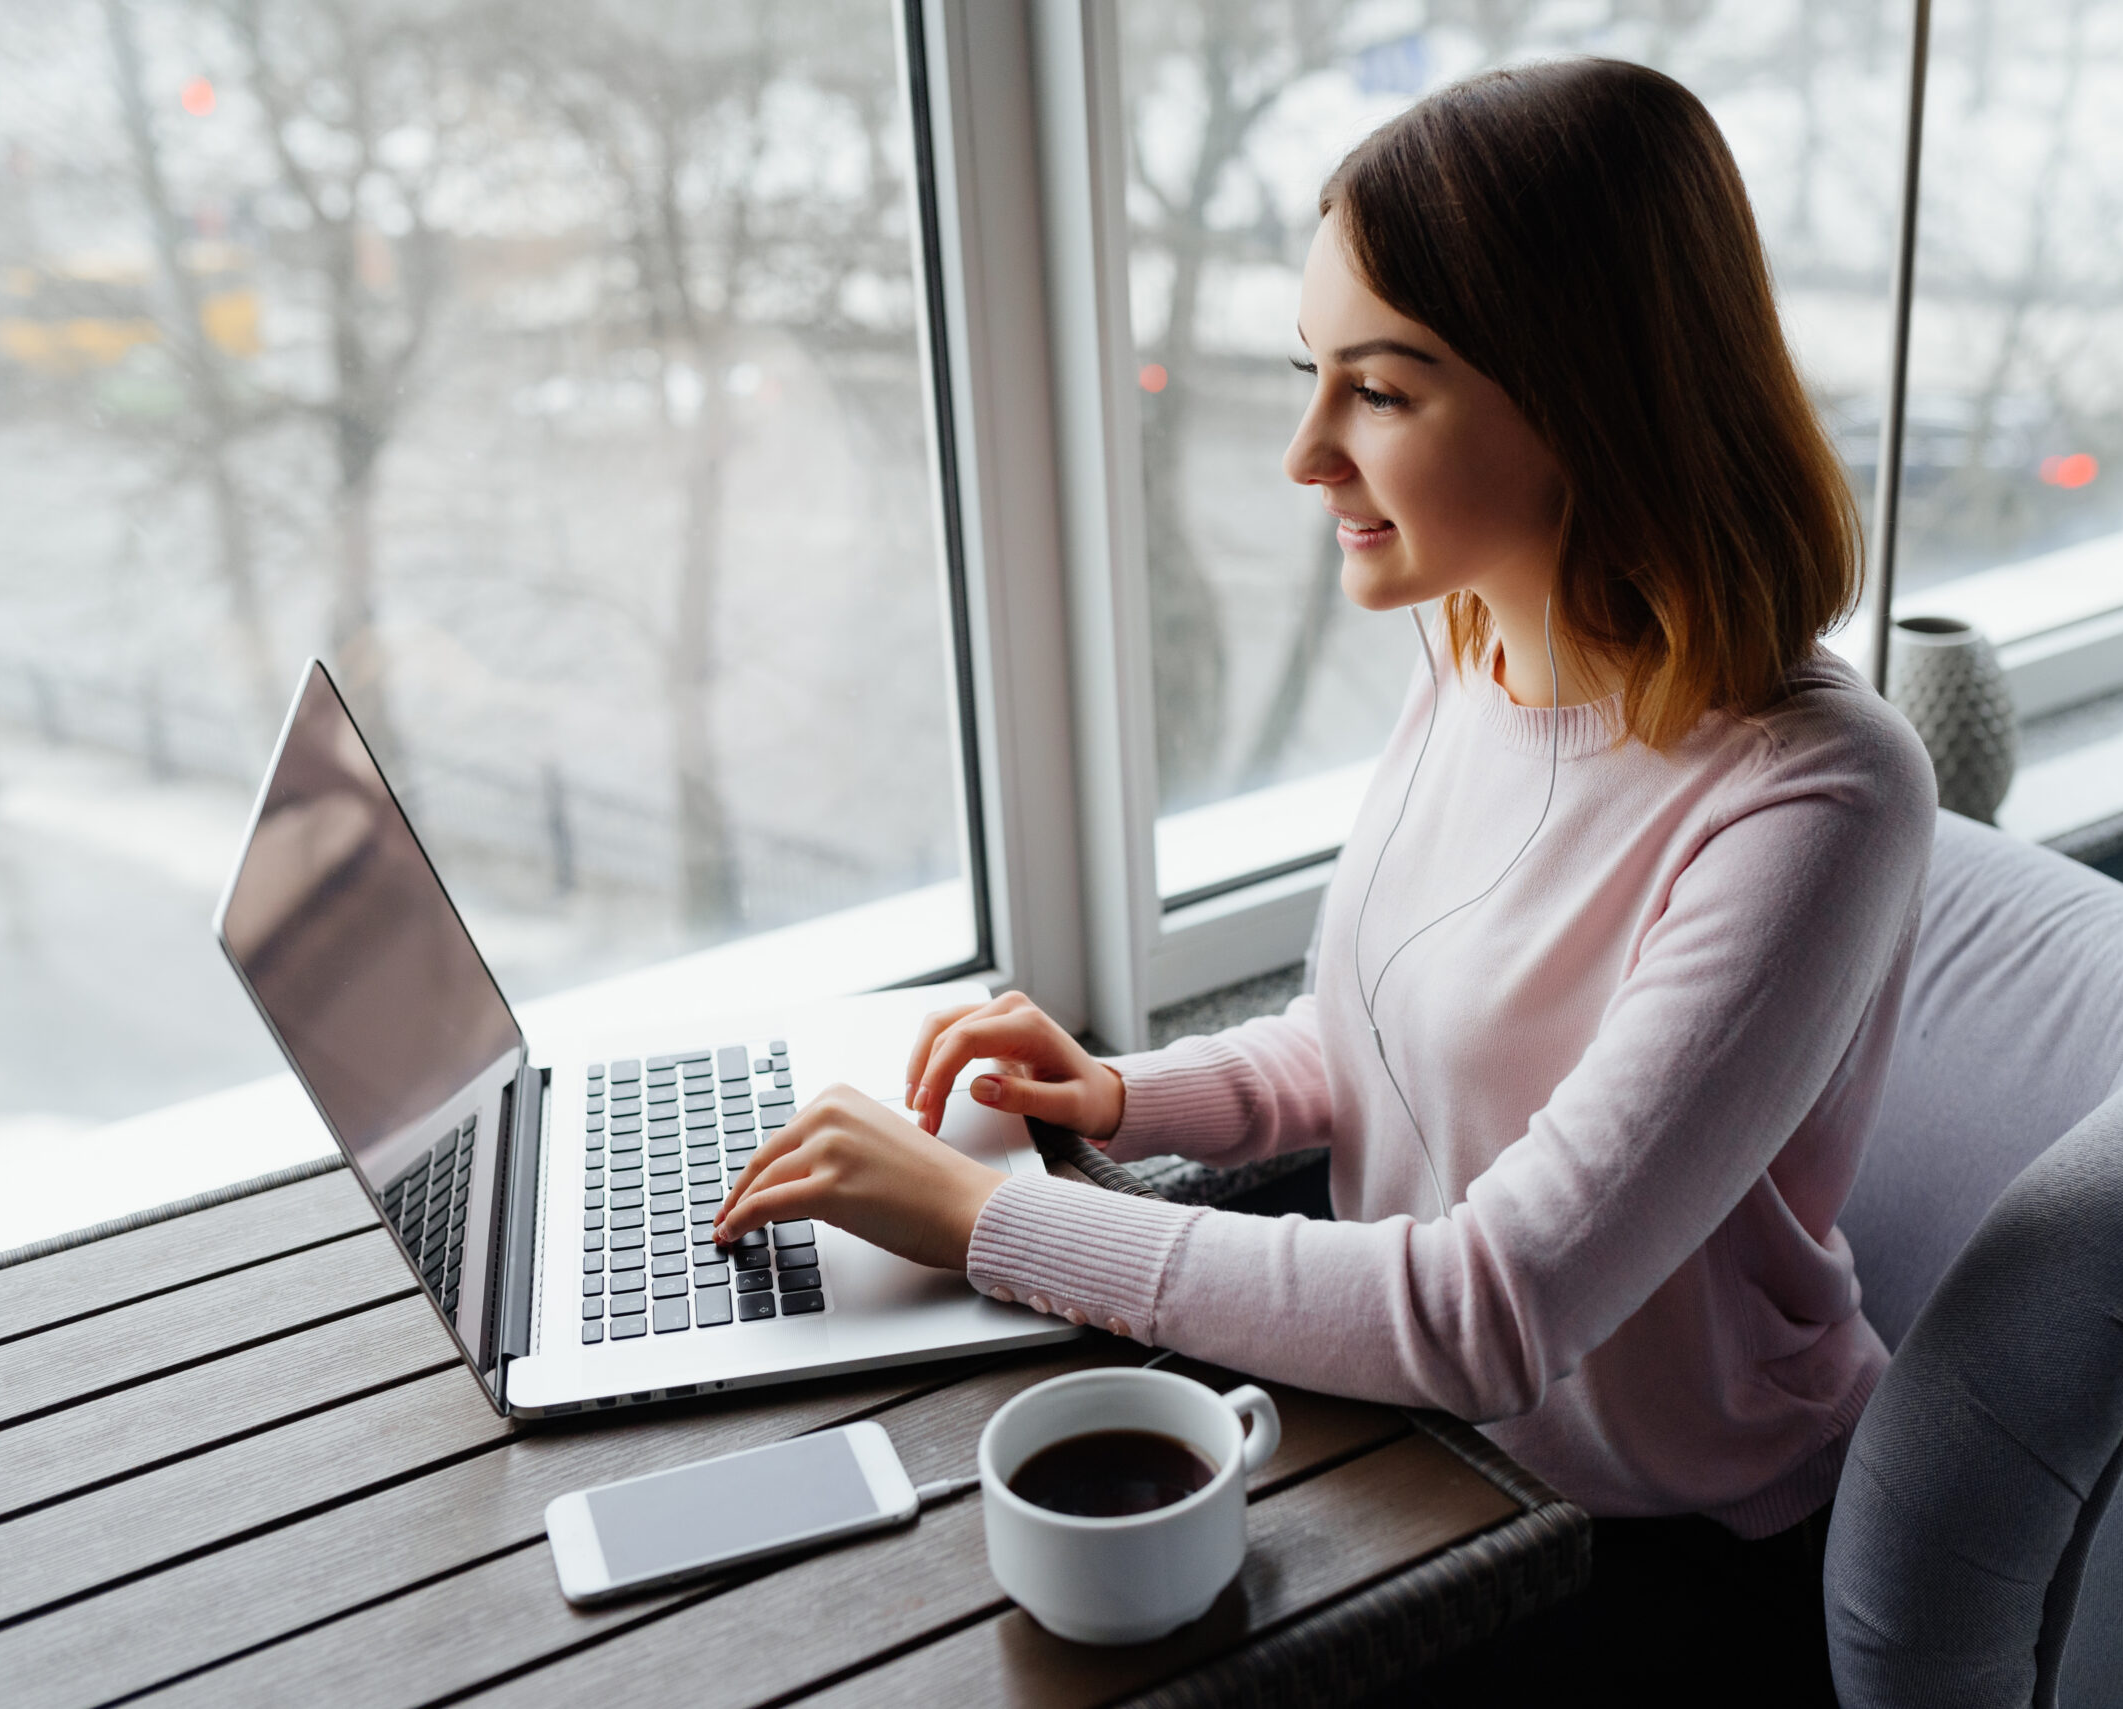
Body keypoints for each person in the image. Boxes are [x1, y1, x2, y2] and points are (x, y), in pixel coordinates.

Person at [717, 56, 1932, 1699]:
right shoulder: (1475, 647)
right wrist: (1115, 1097)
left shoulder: (1817, 799)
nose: (1303, 453)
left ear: (1593, 395)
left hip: (1660, 1549)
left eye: (1381, 388)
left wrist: (985, 1218)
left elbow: (1489, 1306)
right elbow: (1364, 1040)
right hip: (1430, 1449)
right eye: (1313, 371)